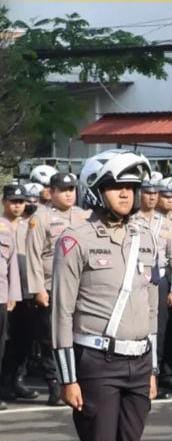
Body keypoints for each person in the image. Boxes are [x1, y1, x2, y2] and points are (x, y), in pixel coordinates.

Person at [50, 149, 160, 441]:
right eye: (118, 187)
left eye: (133, 188)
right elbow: (61, 311)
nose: (127, 195)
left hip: (138, 362)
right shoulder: (75, 238)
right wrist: (67, 376)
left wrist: (153, 367)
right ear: (97, 190)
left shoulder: (146, 236)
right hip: (95, 362)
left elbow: (150, 304)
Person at [26, 172, 89, 405]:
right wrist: (38, 289)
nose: (69, 194)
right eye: (63, 190)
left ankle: (77, 380)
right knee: (52, 338)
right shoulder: (40, 218)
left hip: (80, 287)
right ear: (51, 193)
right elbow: (33, 256)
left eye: (72, 189)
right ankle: (54, 384)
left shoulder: (84, 216)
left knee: (77, 335)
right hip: (52, 286)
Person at [135, 174, 172, 399]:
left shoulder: (165, 222)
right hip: (135, 280)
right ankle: (137, 378)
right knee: (136, 328)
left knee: (157, 331)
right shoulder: (132, 219)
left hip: (160, 281)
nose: (152, 197)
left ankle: (155, 375)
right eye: (147, 192)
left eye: (156, 193)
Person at [0, 184, 36, 403]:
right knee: (5, 340)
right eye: (13, 201)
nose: (17, 206)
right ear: (4, 201)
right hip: (7, 292)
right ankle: (3, 384)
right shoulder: (1, 226)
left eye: (21, 202)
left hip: (27, 289)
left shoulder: (29, 226)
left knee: (24, 339)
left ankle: (16, 380)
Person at [0, 200, 21, 410]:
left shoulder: (4, 229)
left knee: (1, 348)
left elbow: (12, 263)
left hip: (1, 296)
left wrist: (13, 294)